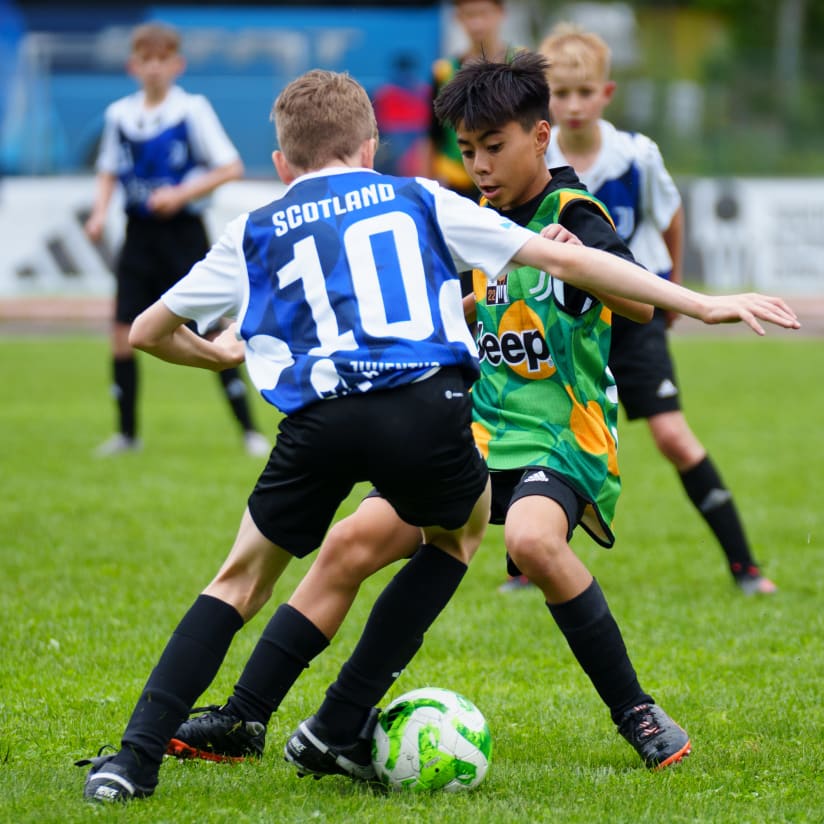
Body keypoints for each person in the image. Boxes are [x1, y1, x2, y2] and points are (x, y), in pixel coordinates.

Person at [74, 65, 751, 804]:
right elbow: (446, 299)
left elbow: (637, 308)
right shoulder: (444, 207)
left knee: (529, 540)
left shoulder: (574, 211)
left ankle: (637, 712)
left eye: (494, 146)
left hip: (561, 428)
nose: (481, 165)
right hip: (473, 423)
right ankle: (246, 717)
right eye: (469, 149)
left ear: (539, 138)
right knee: (348, 544)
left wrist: (635, 285)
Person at [540, 25, 776, 595]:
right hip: (565, 322)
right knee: (544, 433)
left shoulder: (637, 156)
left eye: (584, 92)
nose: (573, 105)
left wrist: (669, 285)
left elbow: (669, 216)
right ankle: (528, 565)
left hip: (632, 315)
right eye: (561, 93)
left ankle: (745, 567)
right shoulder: (534, 156)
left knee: (672, 435)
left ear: (607, 94)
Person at [84, 21, 270, 458]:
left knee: (209, 327)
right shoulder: (120, 115)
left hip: (183, 233)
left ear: (176, 64)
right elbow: (109, 169)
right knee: (121, 331)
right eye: (145, 60)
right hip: (138, 234)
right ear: (133, 66)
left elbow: (230, 166)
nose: (153, 69)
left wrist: (181, 194)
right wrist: (98, 213)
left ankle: (248, 430)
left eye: (161, 60)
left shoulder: (192, 110)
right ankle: (127, 435)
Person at [428, 0, 518, 200]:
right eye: (469, 15)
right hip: (458, 183)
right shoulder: (444, 72)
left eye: (484, 14)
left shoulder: (522, 66)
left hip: (511, 182)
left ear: (501, 13)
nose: (477, 24)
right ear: (457, 18)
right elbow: (433, 135)